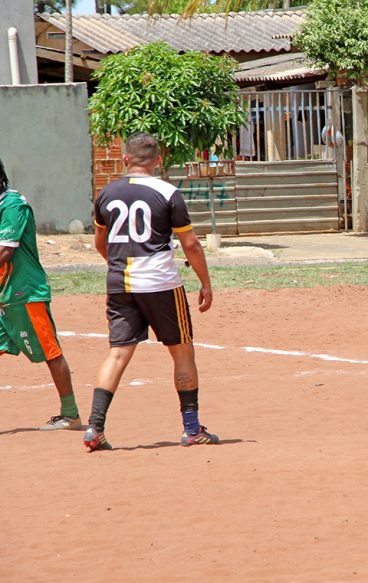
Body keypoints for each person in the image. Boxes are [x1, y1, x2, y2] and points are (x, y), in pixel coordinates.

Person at [83, 132, 218, 451]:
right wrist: (206, 284)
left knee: (117, 353)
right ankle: (191, 429)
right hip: (160, 283)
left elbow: (100, 243)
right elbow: (191, 245)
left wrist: (118, 266)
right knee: (182, 350)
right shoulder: (168, 192)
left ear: (126, 159)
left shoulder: (106, 193)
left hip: (119, 283)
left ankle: (94, 429)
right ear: (158, 161)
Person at [0, 159, 83, 430]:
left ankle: (70, 415)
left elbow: (5, 251)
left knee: (51, 352)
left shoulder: (12, 205)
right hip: (4, 295)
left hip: (25, 293)